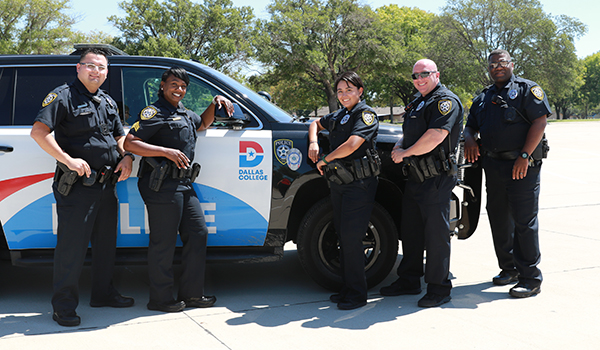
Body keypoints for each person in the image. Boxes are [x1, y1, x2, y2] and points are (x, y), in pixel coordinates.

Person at [30, 48, 135, 327]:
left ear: (106, 72)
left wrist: (127, 156)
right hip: (77, 187)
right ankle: (63, 307)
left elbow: (118, 136)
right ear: (78, 68)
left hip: (107, 184)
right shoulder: (63, 95)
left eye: (101, 67)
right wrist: (67, 159)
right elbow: (38, 132)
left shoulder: (107, 101)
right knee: (71, 249)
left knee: (105, 246)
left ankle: (103, 294)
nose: (96, 71)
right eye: (90, 66)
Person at [124, 67, 233, 312]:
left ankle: (192, 294)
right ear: (162, 85)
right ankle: (160, 299)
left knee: (198, 234)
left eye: (183, 86)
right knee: (163, 243)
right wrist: (166, 151)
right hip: (160, 185)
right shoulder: (154, 112)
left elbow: (203, 123)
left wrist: (215, 104)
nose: (179, 90)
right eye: (174, 84)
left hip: (184, 184)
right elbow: (130, 142)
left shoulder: (183, 112)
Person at [464, 49, 549, 298]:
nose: (497, 68)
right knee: (499, 217)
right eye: (492, 65)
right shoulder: (483, 98)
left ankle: (530, 277)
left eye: (502, 63)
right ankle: (509, 268)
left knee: (524, 221)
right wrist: (469, 139)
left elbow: (540, 122)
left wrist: (524, 156)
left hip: (522, 165)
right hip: (494, 166)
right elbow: (470, 126)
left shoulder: (526, 90)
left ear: (512, 64)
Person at [379, 59, 463, 308]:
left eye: (424, 74)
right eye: (415, 76)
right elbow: (411, 130)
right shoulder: (419, 100)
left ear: (436, 74)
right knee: (412, 231)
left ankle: (439, 288)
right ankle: (409, 280)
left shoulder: (445, 101)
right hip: (416, 177)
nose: (419, 79)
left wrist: (405, 153)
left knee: (436, 236)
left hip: (436, 177)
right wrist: (399, 144)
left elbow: (435, 136)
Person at [308, 71, 380, 310]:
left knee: (352, 239)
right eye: (340, 91)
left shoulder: (366, 115)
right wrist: (314, 142)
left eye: (349, 90)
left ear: (360, 91)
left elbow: (352, 144)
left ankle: (358, 295)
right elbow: (314, 124)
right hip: (340, 183)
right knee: (343, 236)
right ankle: (347, 289)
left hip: (359, 185)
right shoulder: (339, 115)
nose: (343, 94)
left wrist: (325, 159)